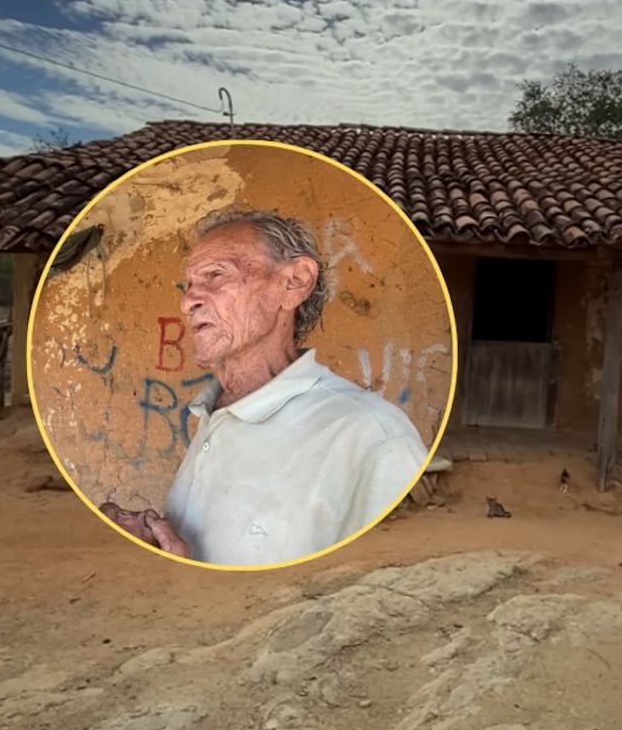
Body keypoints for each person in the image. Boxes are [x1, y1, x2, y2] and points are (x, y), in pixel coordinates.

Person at [104, 208, 429, 566]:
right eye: (188, 286)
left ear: (294, 283)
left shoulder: (373, 437)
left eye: (215, 275)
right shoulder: (213, 413)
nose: (187, 302)